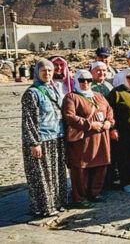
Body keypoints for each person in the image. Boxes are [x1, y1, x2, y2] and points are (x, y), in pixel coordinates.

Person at [21, 59, 68, 217]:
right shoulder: (32, 93)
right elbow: (29, 120)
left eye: (49, 70)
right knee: (43, 174)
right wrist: (34, 143)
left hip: (57, 136)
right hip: (41, 139)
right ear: (37, 72)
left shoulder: (53, 89)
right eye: (43, 71)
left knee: (56, 173)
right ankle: (44, 207)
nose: (47, 73)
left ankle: (58, 202)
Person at [63, 70, 115, 208]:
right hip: (83, 139)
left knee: (99, 165)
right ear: (77, 81)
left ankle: (95, 192)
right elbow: (69, 116)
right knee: (81, 167)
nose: (85, 83)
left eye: (88, 80)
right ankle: (80, 197)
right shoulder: (71, 97)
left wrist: (109, 121)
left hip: (100, 137)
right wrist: (90, 124)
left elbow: (109, 109)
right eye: (82, 80)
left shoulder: (98, 96)